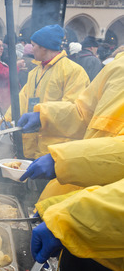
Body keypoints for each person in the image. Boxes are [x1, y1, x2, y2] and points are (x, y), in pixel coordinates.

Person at [17, 51, 124, 270]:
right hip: (82, 207)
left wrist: (72, 221)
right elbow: (84, 112)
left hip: (111, 247)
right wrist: (45, 116)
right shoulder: (119, 64)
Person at [3, 24, 90, 159]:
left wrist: (42, 115)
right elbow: (23, 98)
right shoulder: (35, 72)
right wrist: (8, 118)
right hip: (31, 147)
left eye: (33, 45)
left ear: (43, 46)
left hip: (54, 151)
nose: (31, 49)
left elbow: (75, 109)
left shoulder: (74, 71)